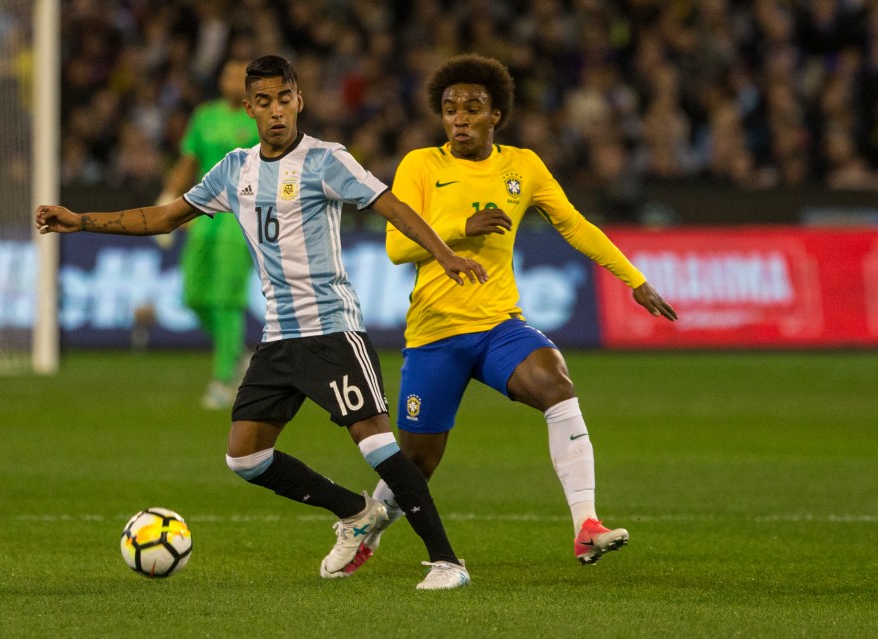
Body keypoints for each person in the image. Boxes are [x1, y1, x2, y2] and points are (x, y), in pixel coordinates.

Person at [35, 55, 486, 590]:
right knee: (245, 456)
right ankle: (357, 513)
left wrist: (445, 253)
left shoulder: (327, 160)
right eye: (265, 102)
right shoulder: (234, 170)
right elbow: (162, 217)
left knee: (378, 447)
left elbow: (392, 207)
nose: (277, 111)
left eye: (285, 98)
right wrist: (79, 221)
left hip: (332, 330)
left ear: (299, 100)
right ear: (249, 107)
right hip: (279, 338)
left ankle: (447, 562)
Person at [350, 54, 678, 571]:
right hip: (435, 332)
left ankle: (586, 525)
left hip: (499, 324)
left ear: (495, 114)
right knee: (415, 464)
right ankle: (367, 524)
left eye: (472, 108)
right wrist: (461, 229)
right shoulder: (421, 165)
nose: (459, 118)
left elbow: (574, 224)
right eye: (450, 108)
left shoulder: (523, 166)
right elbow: (395, 246)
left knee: (555, 381)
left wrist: (633, 280)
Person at [155, 58, 260, 409]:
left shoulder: (259, 117)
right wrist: (167, 201)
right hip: (202, 215)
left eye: (239, 76)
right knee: (193, 296)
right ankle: (238, 356)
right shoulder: (205, 116)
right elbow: (188, 161)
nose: (231, 80)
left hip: (240, 217)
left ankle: (223, 379)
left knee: (226, 302)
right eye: (227, 74)